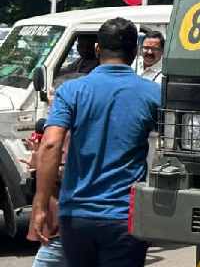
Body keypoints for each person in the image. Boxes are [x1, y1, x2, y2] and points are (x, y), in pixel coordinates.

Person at [32, 17, 161, 267]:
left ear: (97, 49)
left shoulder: (71, 91)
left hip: (76, 216)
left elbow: (50, 145)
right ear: (134, 52)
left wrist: (40, 206)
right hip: (126, 217)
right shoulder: (153, 93)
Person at [26, 73, 84, 267]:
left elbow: (69, 172)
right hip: (59, 222)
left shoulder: (67, 133)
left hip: (64, 222)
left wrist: (44, 165)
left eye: (55, 97)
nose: (50, 103)